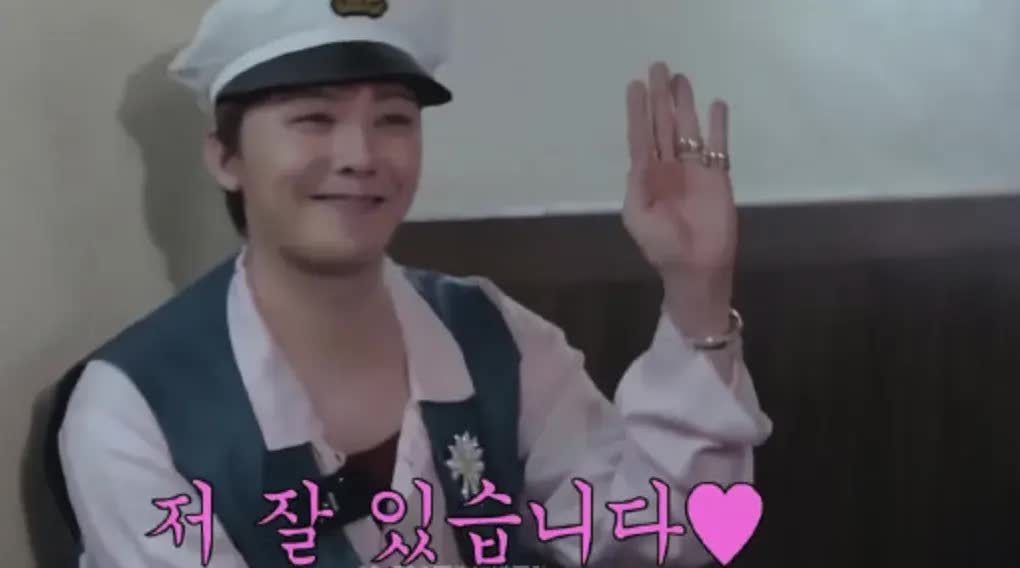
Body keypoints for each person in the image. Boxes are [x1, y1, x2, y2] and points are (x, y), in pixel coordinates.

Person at [44, 0, 772, 566]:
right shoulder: (135, 410)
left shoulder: (489, 333)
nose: (361, 155)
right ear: (225, 157)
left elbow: (658, 534)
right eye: (314, 118)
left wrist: (696, 287)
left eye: (393, 119)